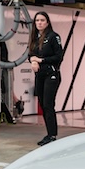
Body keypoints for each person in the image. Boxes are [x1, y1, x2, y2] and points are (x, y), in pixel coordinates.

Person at [28, 11, 63, 146]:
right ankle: (49, 133)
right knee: (43, 104)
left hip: (52, 74)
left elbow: (58, 56)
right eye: (37, 21)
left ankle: (52, 135)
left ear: (47, 22)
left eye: (42, 20)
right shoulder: (34, 38)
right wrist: (33, 60)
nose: (39, 23)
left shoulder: (54, 37)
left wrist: (41, 60)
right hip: (40, 75)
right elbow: (30, 54)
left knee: (48, 104)